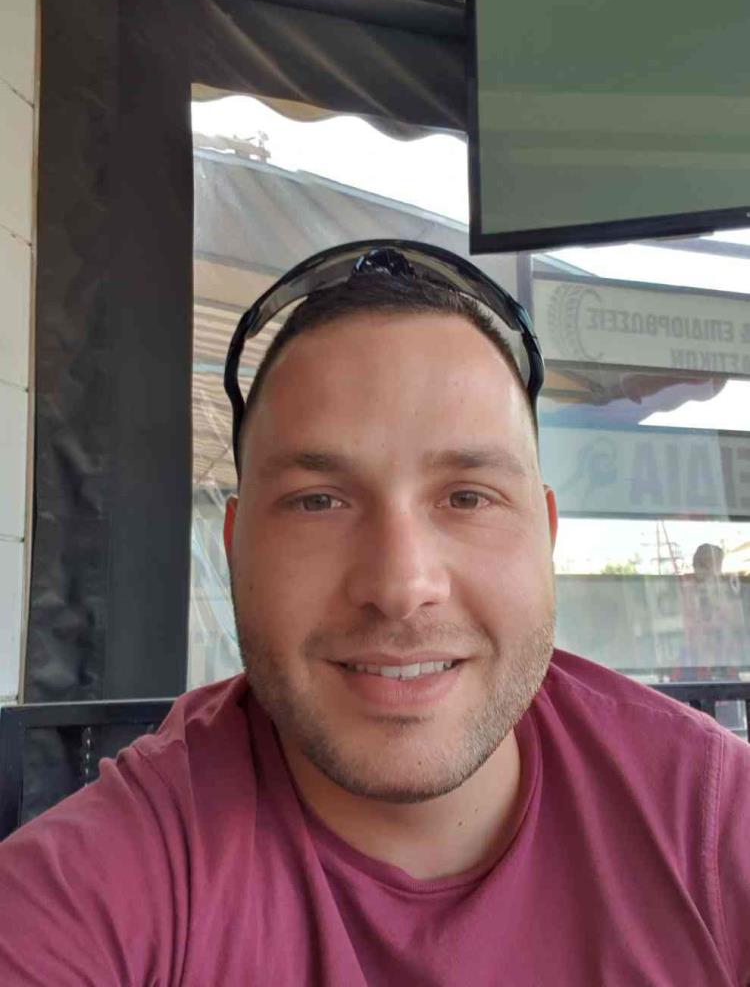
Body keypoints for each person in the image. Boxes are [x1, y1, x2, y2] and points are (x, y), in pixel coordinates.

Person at [0, 241, 748, 986]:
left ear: (545, 536)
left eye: (467, 497)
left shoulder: (714, 826)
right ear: (234, 548)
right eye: (318, 502)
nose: (399, 585)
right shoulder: (110, 886)